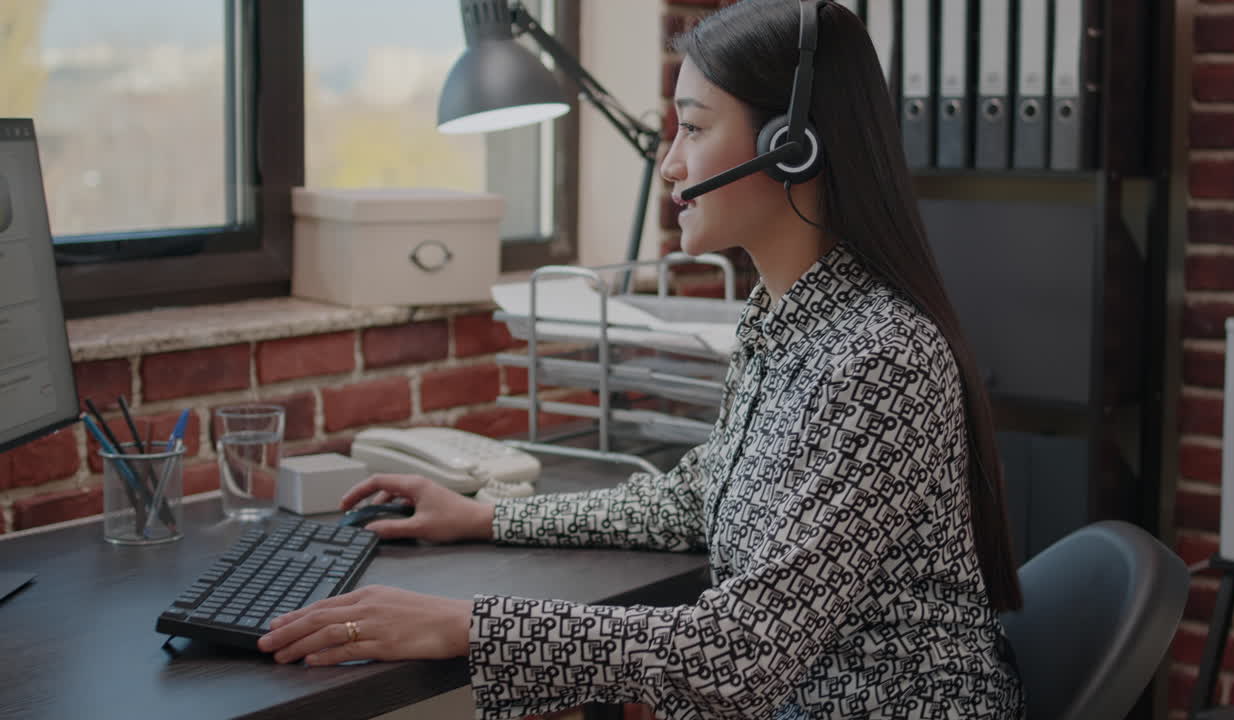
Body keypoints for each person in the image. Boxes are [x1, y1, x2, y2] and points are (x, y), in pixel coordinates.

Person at [258, 1, 1026, 717]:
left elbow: (742, 653)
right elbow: (696, 498)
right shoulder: (781, 320)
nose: (670, 165)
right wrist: (485, 515)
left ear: (790, 147)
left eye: (693, 129)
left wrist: (464, 625)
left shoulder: (881, 356)